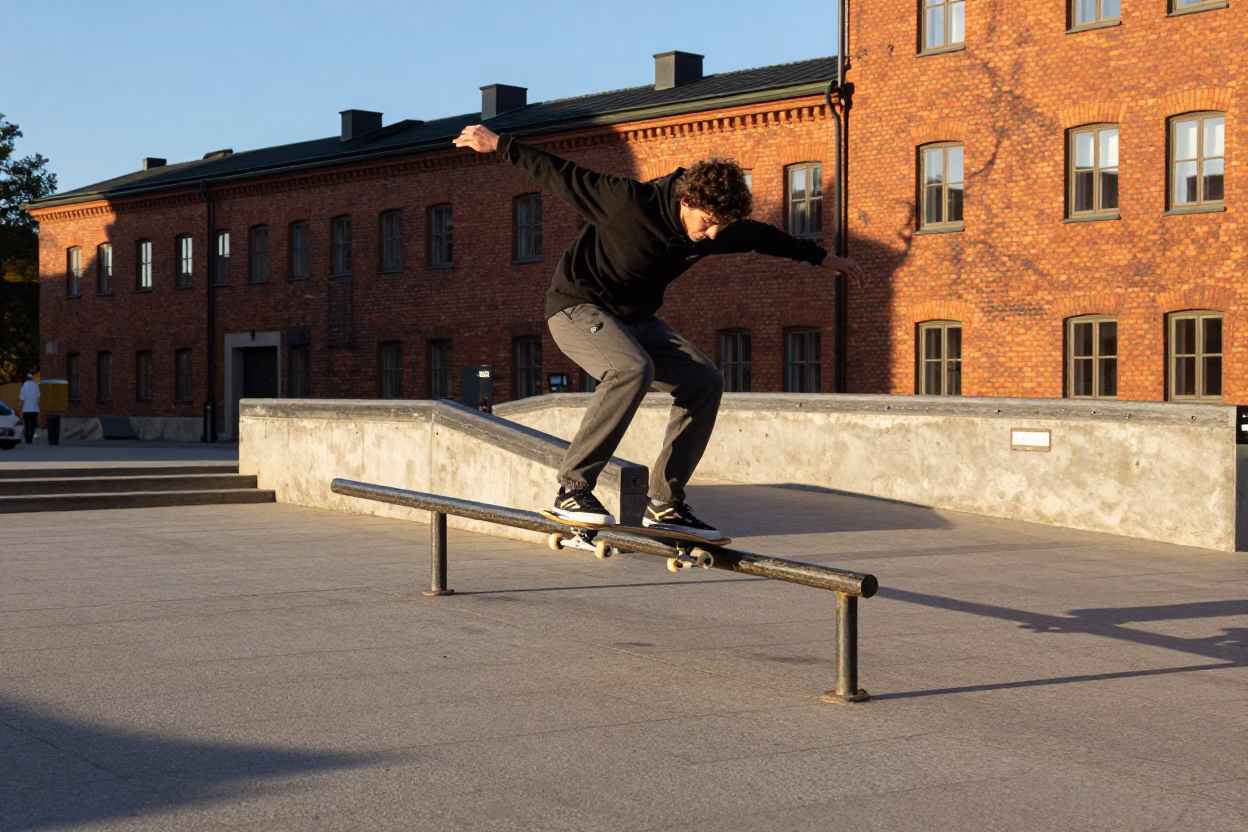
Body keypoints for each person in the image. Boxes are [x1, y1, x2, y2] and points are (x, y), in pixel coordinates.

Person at [454, 125, 866, 539]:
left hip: (635, 320)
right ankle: (573, 488)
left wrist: (825, 259)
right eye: (706, 223)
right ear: (686, 200)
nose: (711, 236)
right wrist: (501, 144)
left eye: (720, 227)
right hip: (577, 307)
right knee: (632, 369)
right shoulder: (627, 202)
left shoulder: (713, 227)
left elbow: (762, 236)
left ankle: (665, 503)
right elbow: (561, 174)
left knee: (704, 380)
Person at [19, 373, 40, 444]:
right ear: (32, 379)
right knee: (33, 424)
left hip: (26, 409)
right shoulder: (36, 386)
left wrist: (19, 407)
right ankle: (31, 438)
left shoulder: (23, 387)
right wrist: (39, 406)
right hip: (34, 409)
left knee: (27, 424)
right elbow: (38, 398)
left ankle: (27, 438)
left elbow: (22, 399)